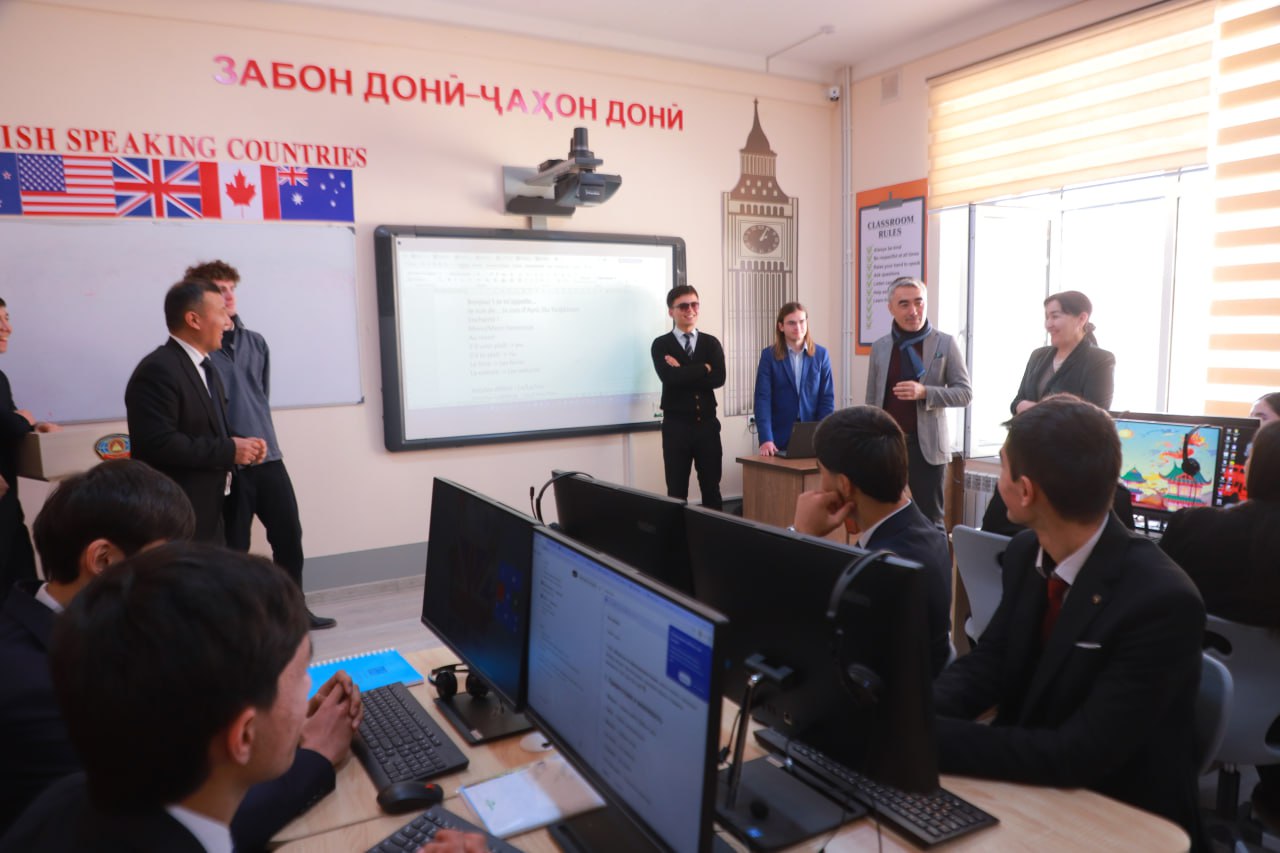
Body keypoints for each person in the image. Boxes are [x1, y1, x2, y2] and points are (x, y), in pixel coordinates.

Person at [0, 459, 359, 850]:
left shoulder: (84, 636)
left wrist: (275, 725)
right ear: (103, 560)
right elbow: (167, 823)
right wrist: (312, 754)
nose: (183, 581)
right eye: (167, 563)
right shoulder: (40, 686)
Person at [932, 395, 1205, 847]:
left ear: (1025, 491)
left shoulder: (1162, 601)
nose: (998, 480)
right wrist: (915, 715)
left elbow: (1079, 753)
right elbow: (990, 662)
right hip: (1031, 790)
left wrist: (933, 740)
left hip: (1120, 817)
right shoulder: (1027, 553)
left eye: (1002, 467)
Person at [190, 260, 335, 630]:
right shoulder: (199, 351)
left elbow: (259, 396)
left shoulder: (255, 342)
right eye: (219, 289)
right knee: (234, 548)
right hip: (229, 465)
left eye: (231, 288)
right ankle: (240, 622)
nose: (228, 296)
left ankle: (294, 611)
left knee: (289, 537)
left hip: (269, 458)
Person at [1160, 419, 1280, 826]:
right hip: (1274, 725)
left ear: (1253, 468)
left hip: (1191, 705)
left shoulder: (1192, 526)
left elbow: (1154, 610)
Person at [792, 406, 954, 675]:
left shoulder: (880, 569)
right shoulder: (927, 532)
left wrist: (801, 535)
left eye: (821, 472)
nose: (820, 486)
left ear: (845, 485)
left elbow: (801, 632)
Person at [125, 278, 268, 542]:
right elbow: (157, 443)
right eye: (221, 312)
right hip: (177, 513)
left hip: (212, 508)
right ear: (194, 319)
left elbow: (208, 429)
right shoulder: (158, 369)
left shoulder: (208, 368)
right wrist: (229, 450)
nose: (227, 321)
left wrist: (244, 445)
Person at [865, 277, 971, 524]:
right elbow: (871, 400)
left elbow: (964, 393)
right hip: (887, 446)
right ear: (891, 308)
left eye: (919, 302)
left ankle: (935, 553)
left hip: (927, 449)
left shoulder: (945, 343)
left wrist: (925, 392)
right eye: (904, 304)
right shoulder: (880, 347)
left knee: (930, 521)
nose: (913, 311)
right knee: (886, 518)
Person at [0, 298, 58, 604]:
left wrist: (34, 426)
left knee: (21, 587)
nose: (6, 328)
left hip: (8, 506)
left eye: (7, 318)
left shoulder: (0, 378)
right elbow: (10, 421)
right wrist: (21, 420)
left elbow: (8, 423)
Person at [651, 285, 726, 510]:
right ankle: (677, 535)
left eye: (694, 304)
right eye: (683, 306)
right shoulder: (661, 344)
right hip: (676, 429)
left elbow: (718, 379)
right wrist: (704, 367)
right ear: (671, 311)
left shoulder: (711, 343)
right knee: (676, 492)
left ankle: (713, 532)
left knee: (712, 490)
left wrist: (682, 370)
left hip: (707, 428)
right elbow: (669, 378)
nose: (690, 310)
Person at [1011, 290, 1115, 414]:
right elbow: (1017, 402)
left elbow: (1095, 416)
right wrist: (1019, 405)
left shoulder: (1100, 359)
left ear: (1082, 318)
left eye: (1055, 316)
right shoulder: (1037, 356)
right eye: (1047, 317)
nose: (1048, 324)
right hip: (1027, 427)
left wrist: (1038, 411)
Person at [754, 301, 834, 456]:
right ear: (781, 326)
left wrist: (824, 436)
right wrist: (766, 438)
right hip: (778, 437)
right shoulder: (769, 356)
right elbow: (762, 399)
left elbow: (826, 399)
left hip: (812, 435)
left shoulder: (821, 355)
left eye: (802, 321)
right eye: (791, 323)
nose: (798, 327)